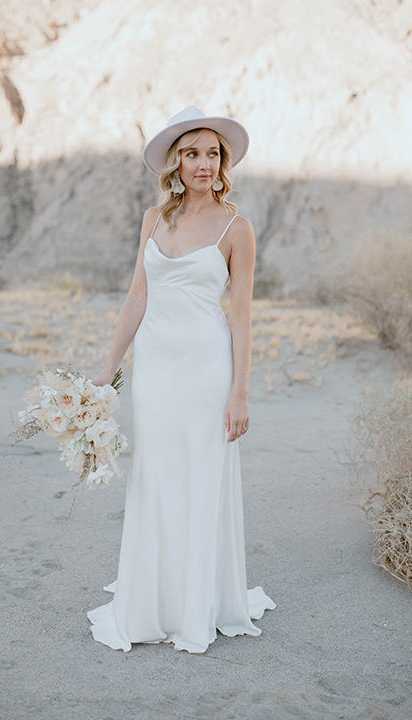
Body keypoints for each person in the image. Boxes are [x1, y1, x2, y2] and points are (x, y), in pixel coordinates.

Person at [86, 106, 275, 654]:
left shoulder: (238, 228)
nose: (203, 163)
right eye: (192, 153)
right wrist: (108, 370)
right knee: (155, 479)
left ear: (223, 163)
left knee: (199, 478)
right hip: (155, 372)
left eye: (212, 153)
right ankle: (155, 599)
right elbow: (137, 297)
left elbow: (240, 314)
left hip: (206, 371)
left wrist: (240, 390)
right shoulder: (154, 218)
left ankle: (198, 602)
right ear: (176, 162)